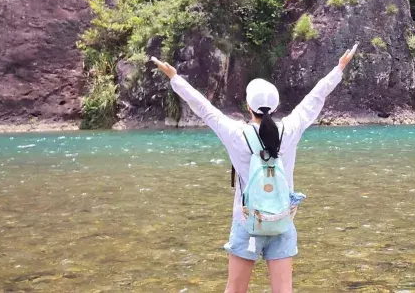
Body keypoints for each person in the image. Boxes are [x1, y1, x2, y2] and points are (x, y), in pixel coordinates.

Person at [151, 44, 357, 293]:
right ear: (276, 108)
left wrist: (175, 78)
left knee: (235, 289)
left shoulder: (235, 133)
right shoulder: (291, 128)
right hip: (281, 221)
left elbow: (204, 108)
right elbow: (315, 98)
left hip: (247, 221)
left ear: (248, 107)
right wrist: (339, 68)